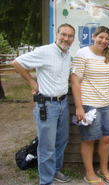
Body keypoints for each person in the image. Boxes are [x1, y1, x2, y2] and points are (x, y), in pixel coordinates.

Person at [12, 23, 75, 185]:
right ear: (57, 35)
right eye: (64, 35)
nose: (66, 39)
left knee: (62, 140)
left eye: (70, 36)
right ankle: (46, 181)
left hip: (63, 102)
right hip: (47, 105)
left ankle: (55, 171)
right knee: (47, 146)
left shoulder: (66, 54)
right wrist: (32, 84)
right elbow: (17, 63)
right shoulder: (44, 51)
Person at [70, 26, 109, 185]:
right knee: (89, 140)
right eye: (101, 37)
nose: (104, 41)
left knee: (106, 138)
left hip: (106, 104)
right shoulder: (82, 54)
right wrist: (79, 107)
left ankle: (103, 169)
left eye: (107, 39)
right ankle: (89, 173)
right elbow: (75, 80)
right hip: (89, 105)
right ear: (94, 36)